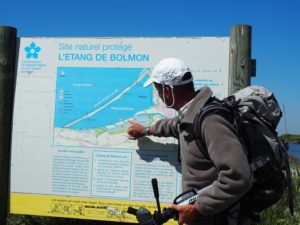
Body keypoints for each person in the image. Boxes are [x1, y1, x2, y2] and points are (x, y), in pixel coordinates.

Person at [127, 58, 253, 225]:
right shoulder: (192, 116)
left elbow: (238, 177)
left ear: (167, 90)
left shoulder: (211, 121)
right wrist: (145, 130)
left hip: (220, 218)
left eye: (157, 89)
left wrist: (198, 208)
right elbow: (175, 126)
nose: (157, 95)